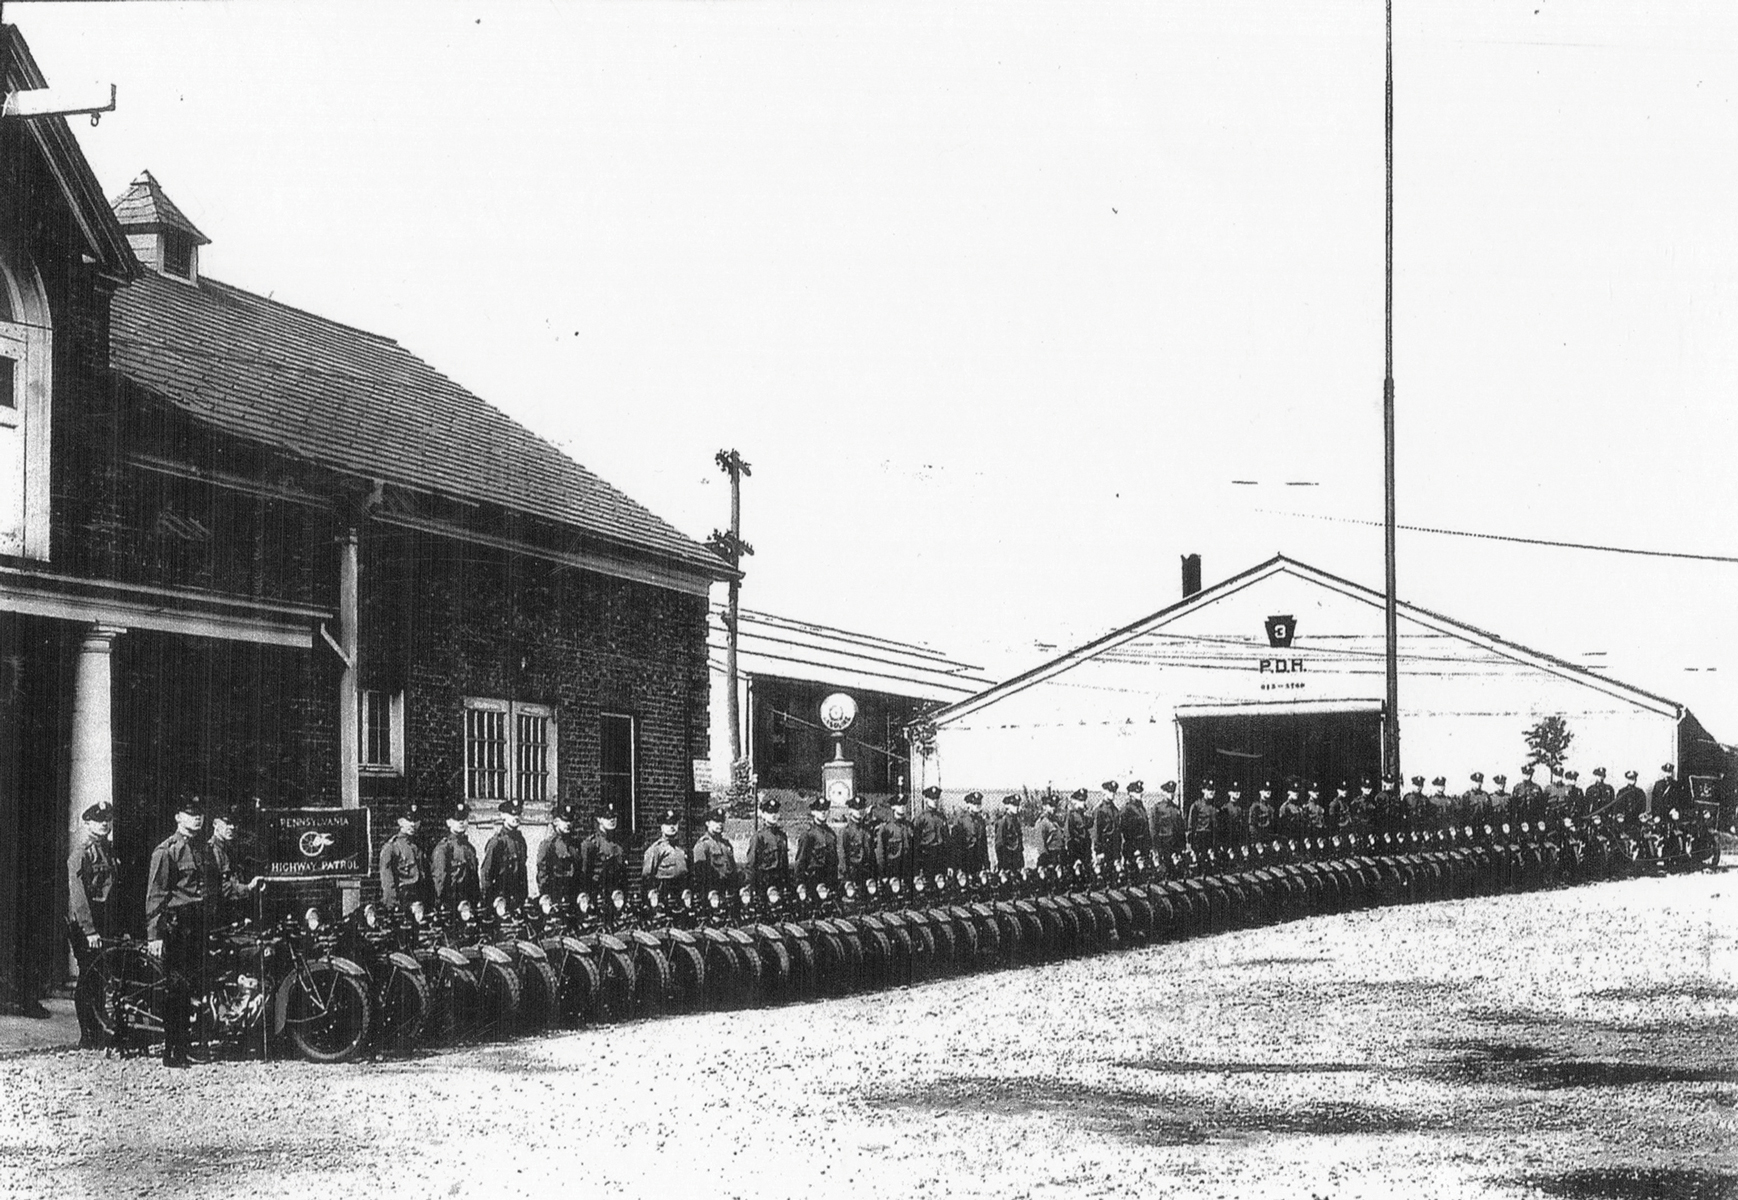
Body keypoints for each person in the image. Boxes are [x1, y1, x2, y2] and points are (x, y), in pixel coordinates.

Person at [146, 797, 218, 1069]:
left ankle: (186, 1046)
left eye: (199, 814)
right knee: (177, 990)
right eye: (190, 814)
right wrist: (155, 936)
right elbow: (156, 896)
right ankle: (172, 1050)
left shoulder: (202, 849)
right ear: (178, 817)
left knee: (194, 988)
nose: (196, 819)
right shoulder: (167, 851)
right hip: (177, 927)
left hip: (198, 925)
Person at [67, 801, 118, 1047]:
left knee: (99, 976)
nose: (105, 824)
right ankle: (87, 1035)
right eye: (99, 821)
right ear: (87, 823)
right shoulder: (82, 852)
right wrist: (89, 930)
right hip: (85, 924)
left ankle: (98, 1029)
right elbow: (79, 896)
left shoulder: (106, 849)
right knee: (88, 975)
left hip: (103, 920)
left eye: (108, 820)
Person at [207, 804, 264, 922]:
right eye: (227, 823)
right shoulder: (211, 851)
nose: (232, 827)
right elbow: (220, 888)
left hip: (236, 910)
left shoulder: (231, 849)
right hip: (220, 915)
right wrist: (248, 887)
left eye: (234, 823)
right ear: (215, 824)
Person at [378, 803, 432, 912]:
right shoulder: (391, 848)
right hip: (402, 902)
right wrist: (392, 906)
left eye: (416, 820)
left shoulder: (418, 847)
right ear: (400, 821)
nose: (413, 824)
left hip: (419, 902)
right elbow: (387, 881)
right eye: (409, 820)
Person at [432, 802, 482, 912]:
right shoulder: (443, 849)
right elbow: (439, 879)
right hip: (451, 903)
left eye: (464, 818)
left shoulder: (470, 848)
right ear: (448, 822)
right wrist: (440, 904)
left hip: (469, 903)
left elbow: (474, 878)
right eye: (456, 819)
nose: (461, 822)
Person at [482, 798, 529, 912]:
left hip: (517, 899)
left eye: (518, 814)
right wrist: (489, 901)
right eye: (512, 814)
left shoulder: (520, 841)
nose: (516, 818)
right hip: (499, 899)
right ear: (503, 816)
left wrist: (524, 896)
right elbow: (486, 873)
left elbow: (522, 871)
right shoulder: (497, 842)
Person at [745, 795, 791, 897]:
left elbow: (785, 864)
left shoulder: (782, 837)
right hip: (763, 885)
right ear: (764, 815)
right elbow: (751, 864)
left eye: (776, 812)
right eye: (770, 812)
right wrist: (749, 886)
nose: (773, 815)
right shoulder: (759, 837)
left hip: (779, 883)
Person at [579, 809, 627, 902]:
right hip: (598, 893)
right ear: (599, 819)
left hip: (616, 894)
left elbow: (623, 873)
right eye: (607, 817)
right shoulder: (591, 844)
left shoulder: (620, 844)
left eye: (614, 817)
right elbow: (584, 873)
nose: (612, 820)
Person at [691, 807, 739, 896]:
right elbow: (700, 873)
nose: (720, 824)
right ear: (707, 823)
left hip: (728, 889)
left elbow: (733, 868)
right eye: (716, 821)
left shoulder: (726, 844)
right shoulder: (703, 845)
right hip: (712, 890)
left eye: (721, 821)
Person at [793, 797, 839, 891]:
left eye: (825, 809)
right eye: (819, 810)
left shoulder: (831, 834)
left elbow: (835, 860)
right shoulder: (808, 835)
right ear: (813, 812)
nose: (823, 812)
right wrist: (800, 883)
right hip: (813, 881)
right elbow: (801, 861)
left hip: (829, 880)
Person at [642, 809, 690, 887]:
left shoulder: (681, 850)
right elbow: (647, 875)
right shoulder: (656, 849)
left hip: (681, 891)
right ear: (662, 827)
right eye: (668, 824)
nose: (671, 827)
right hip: (664, 892)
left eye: (674, 823)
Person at [913, 786, 952, 879]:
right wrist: (917, 867)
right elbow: (915, 843)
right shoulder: (920, 818)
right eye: (932, 798)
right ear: (926, 799)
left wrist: (949, 864)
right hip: (926, 858)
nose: (935, 801)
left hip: (941, 858)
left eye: (936, 798)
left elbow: (947, 842)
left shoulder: (942, 817)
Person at [876, 796, 915, 882]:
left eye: (904, 804)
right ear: (893, 807)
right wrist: (883, 873)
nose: (902, 807)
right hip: (892, 871)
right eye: (899, 804)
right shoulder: (886, 828)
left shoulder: (909, 826)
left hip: (907, 870)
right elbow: (880, 852)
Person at [953, 792, 990, 876]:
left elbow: (984, 845)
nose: (977, 806)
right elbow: (956, 845)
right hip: (965, 861)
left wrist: (987, 865)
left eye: (978, 803)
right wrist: (957, 867)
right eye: (974, 803)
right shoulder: (961, 820)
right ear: (968, 804)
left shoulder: (981, 821)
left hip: (978, 862)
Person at [1120, 781, 1153, 867]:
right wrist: (1135, 849)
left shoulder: (1141, 808)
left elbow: (1146, 829)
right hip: (1133, 849)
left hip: (1143, 847)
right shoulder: (1127, 810)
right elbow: (1126, 832)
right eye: (1137, 792)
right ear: (1131, 794)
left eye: (1140, 791)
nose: (1140, 794)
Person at [1149, 782, 1185, 858]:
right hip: (1163, 845)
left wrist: (1182, 845)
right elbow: (1153, 829)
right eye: (1169, 792)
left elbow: (1180, 828)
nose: (1171, 794)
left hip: (1175, 844)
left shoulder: (1176, 808)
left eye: (1172, 792)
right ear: (1164, 792)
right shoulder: (1157, 808)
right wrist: (1155, 847)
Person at [993, 794, 1026, 872]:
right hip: (1006, 863)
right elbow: (999, 846)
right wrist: (1003, 865)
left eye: (1017, 805)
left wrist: (1021, 863)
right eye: (1013, 805)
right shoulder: (1002, 822)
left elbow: (1019, 845)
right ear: (1007, 806)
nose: (1016, 808)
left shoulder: (1016, 822)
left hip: (1017, 862)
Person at [1093, 782, 1122, 866]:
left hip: (1115, 848)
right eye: (1110, 791)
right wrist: (1098, 851)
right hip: (1104, 847)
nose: (1112, 794)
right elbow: (1096, 832)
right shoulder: (1100, 810)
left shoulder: (1115, 810)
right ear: (1104, 791)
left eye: (1114, 792)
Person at [1186, 782, 1219, 857]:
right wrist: (1191, 842)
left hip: (1212, 839)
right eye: (1209, 789)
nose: (1212, 792)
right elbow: (1191, 825)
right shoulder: (1196, 805)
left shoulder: (1215, 807)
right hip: (1201, 839)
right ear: (1203, 790)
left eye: (1213, 790)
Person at [1063, 789, 1092, 869]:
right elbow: (1068, 834)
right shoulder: (1071, 815)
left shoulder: (1083, 815)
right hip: (1076, 849)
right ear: (1075, 801)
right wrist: (1073, 854)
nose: (1083, 802)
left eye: (1084, 800)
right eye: (1081, 800)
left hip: (1085, 849)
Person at [1034, 796, 1064, 868]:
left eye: (1054, 806)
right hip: (1049, 856)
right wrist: (1045, 859)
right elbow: (1040, 842)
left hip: (1059, 855)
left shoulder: (1056, 821)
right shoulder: (1043, 822)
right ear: (1044, 807)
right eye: (1050, 806)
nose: (1053, 808)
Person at [1219, 785, 1246, 849]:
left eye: (1238, 791)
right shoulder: (1225, 808)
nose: (1237, 793)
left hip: (1239, 839)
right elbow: (1222, 827)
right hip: (1229, 839)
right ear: (1229, 793)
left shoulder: (1240, 808)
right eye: (1234, 791)